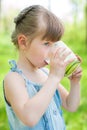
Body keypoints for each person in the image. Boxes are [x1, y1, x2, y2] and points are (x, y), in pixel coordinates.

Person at [3, 5, 82, 130]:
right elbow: (29, 118)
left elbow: (70, 105)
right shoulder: (13, 79)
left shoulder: (45, 73)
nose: (53, 51)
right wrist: (54, 77)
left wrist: (74, 82)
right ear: (23, 42)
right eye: (46, 44)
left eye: (55, 44)